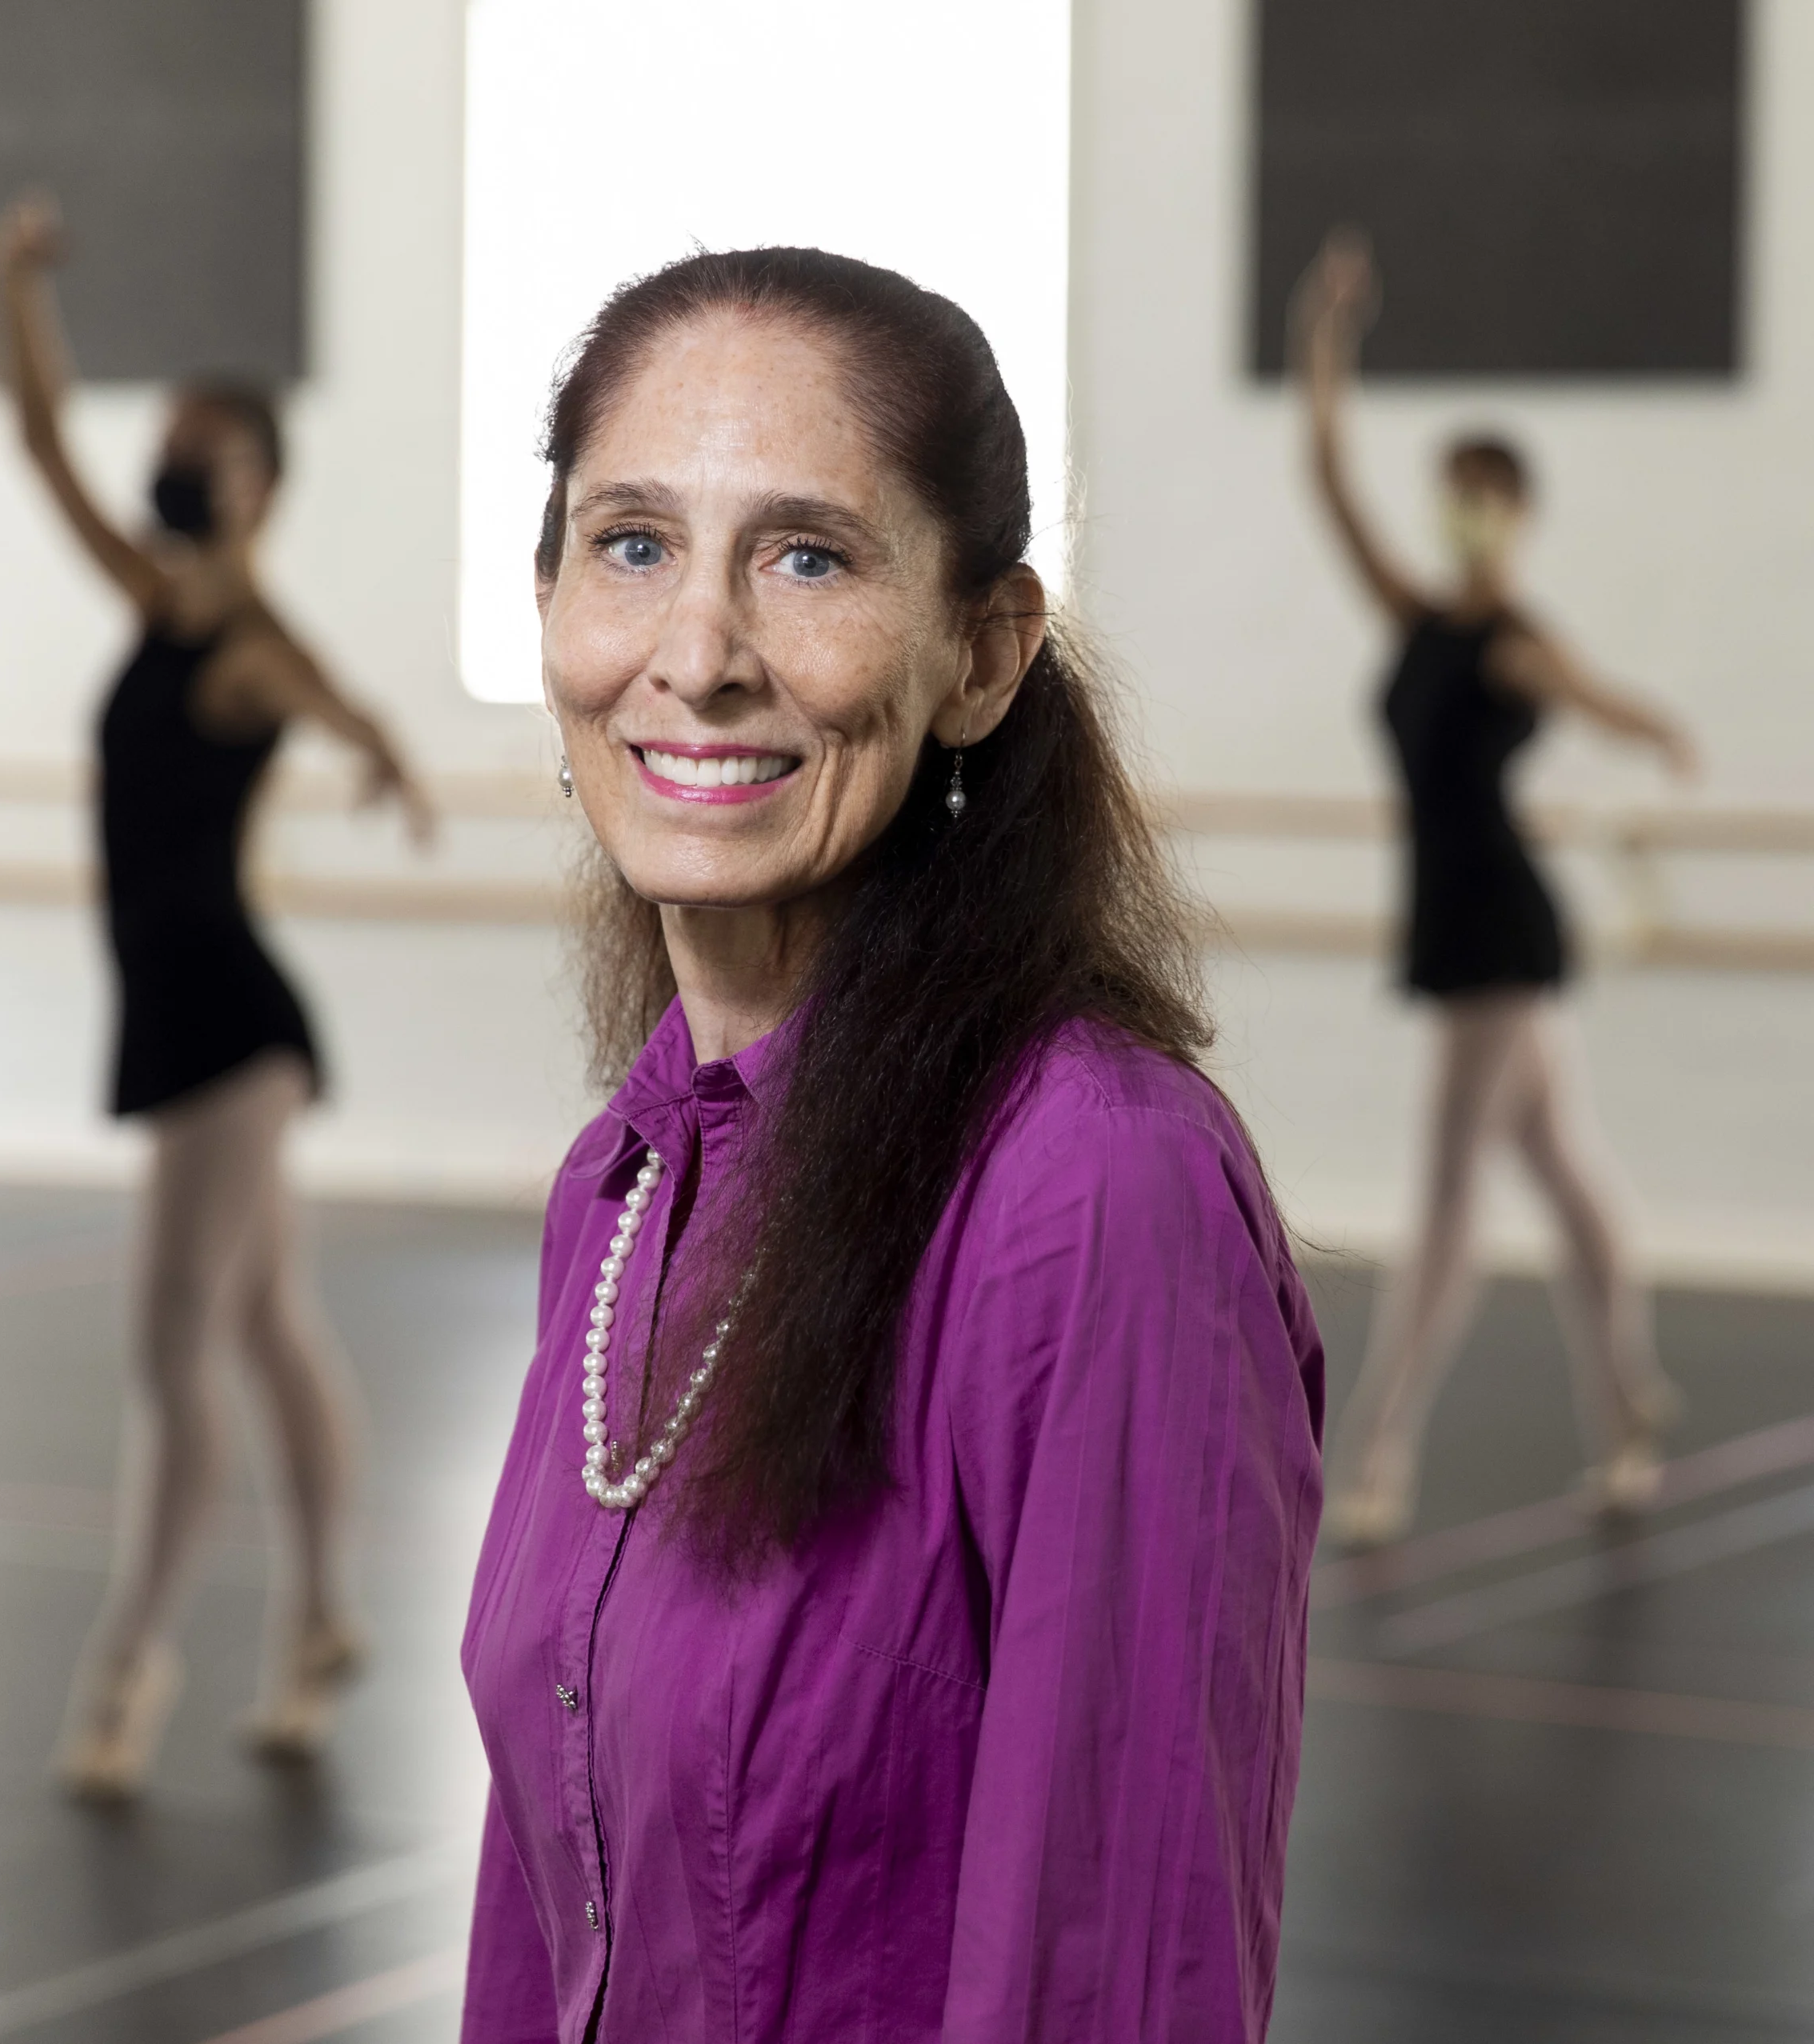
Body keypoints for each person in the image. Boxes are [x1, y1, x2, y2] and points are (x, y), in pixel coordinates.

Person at [459, 248, 1323, 2043]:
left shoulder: (1094, 1191)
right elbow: (536, 1937)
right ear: (549, 603)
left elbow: (1119, 1973)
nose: (694, 655)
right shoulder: (615, 1197)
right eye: (630, 544)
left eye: (806, 556)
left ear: (981, 654)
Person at [0, 195, 434, 1798]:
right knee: (257, 1320)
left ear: (256, 482)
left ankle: (125, 1673)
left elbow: (336, 697)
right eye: (163, 437)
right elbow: (41, 443)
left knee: (174, 1348)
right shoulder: (159, 597)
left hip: (230, 1027)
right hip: (188, 1017)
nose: (165, 462)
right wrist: (13, 286)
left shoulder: (241, 633)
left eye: (197, 445)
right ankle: (318, 1617)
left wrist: (384, 751)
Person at [1295, 230, 1698, 1547]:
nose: (1463, 505)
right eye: (1453, 485)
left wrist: (1660, 737)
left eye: (1485, 490)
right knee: (1565, 1176)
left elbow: (1592, 694)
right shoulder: (1417, 616)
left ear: (1514, 511)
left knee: (1453, 1195)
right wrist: (1326, 334)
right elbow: (1328, 472)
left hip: (1502, 934)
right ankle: (1634, 1401)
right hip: (1461, 928)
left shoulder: (1516, 645)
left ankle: (1380, 1452)